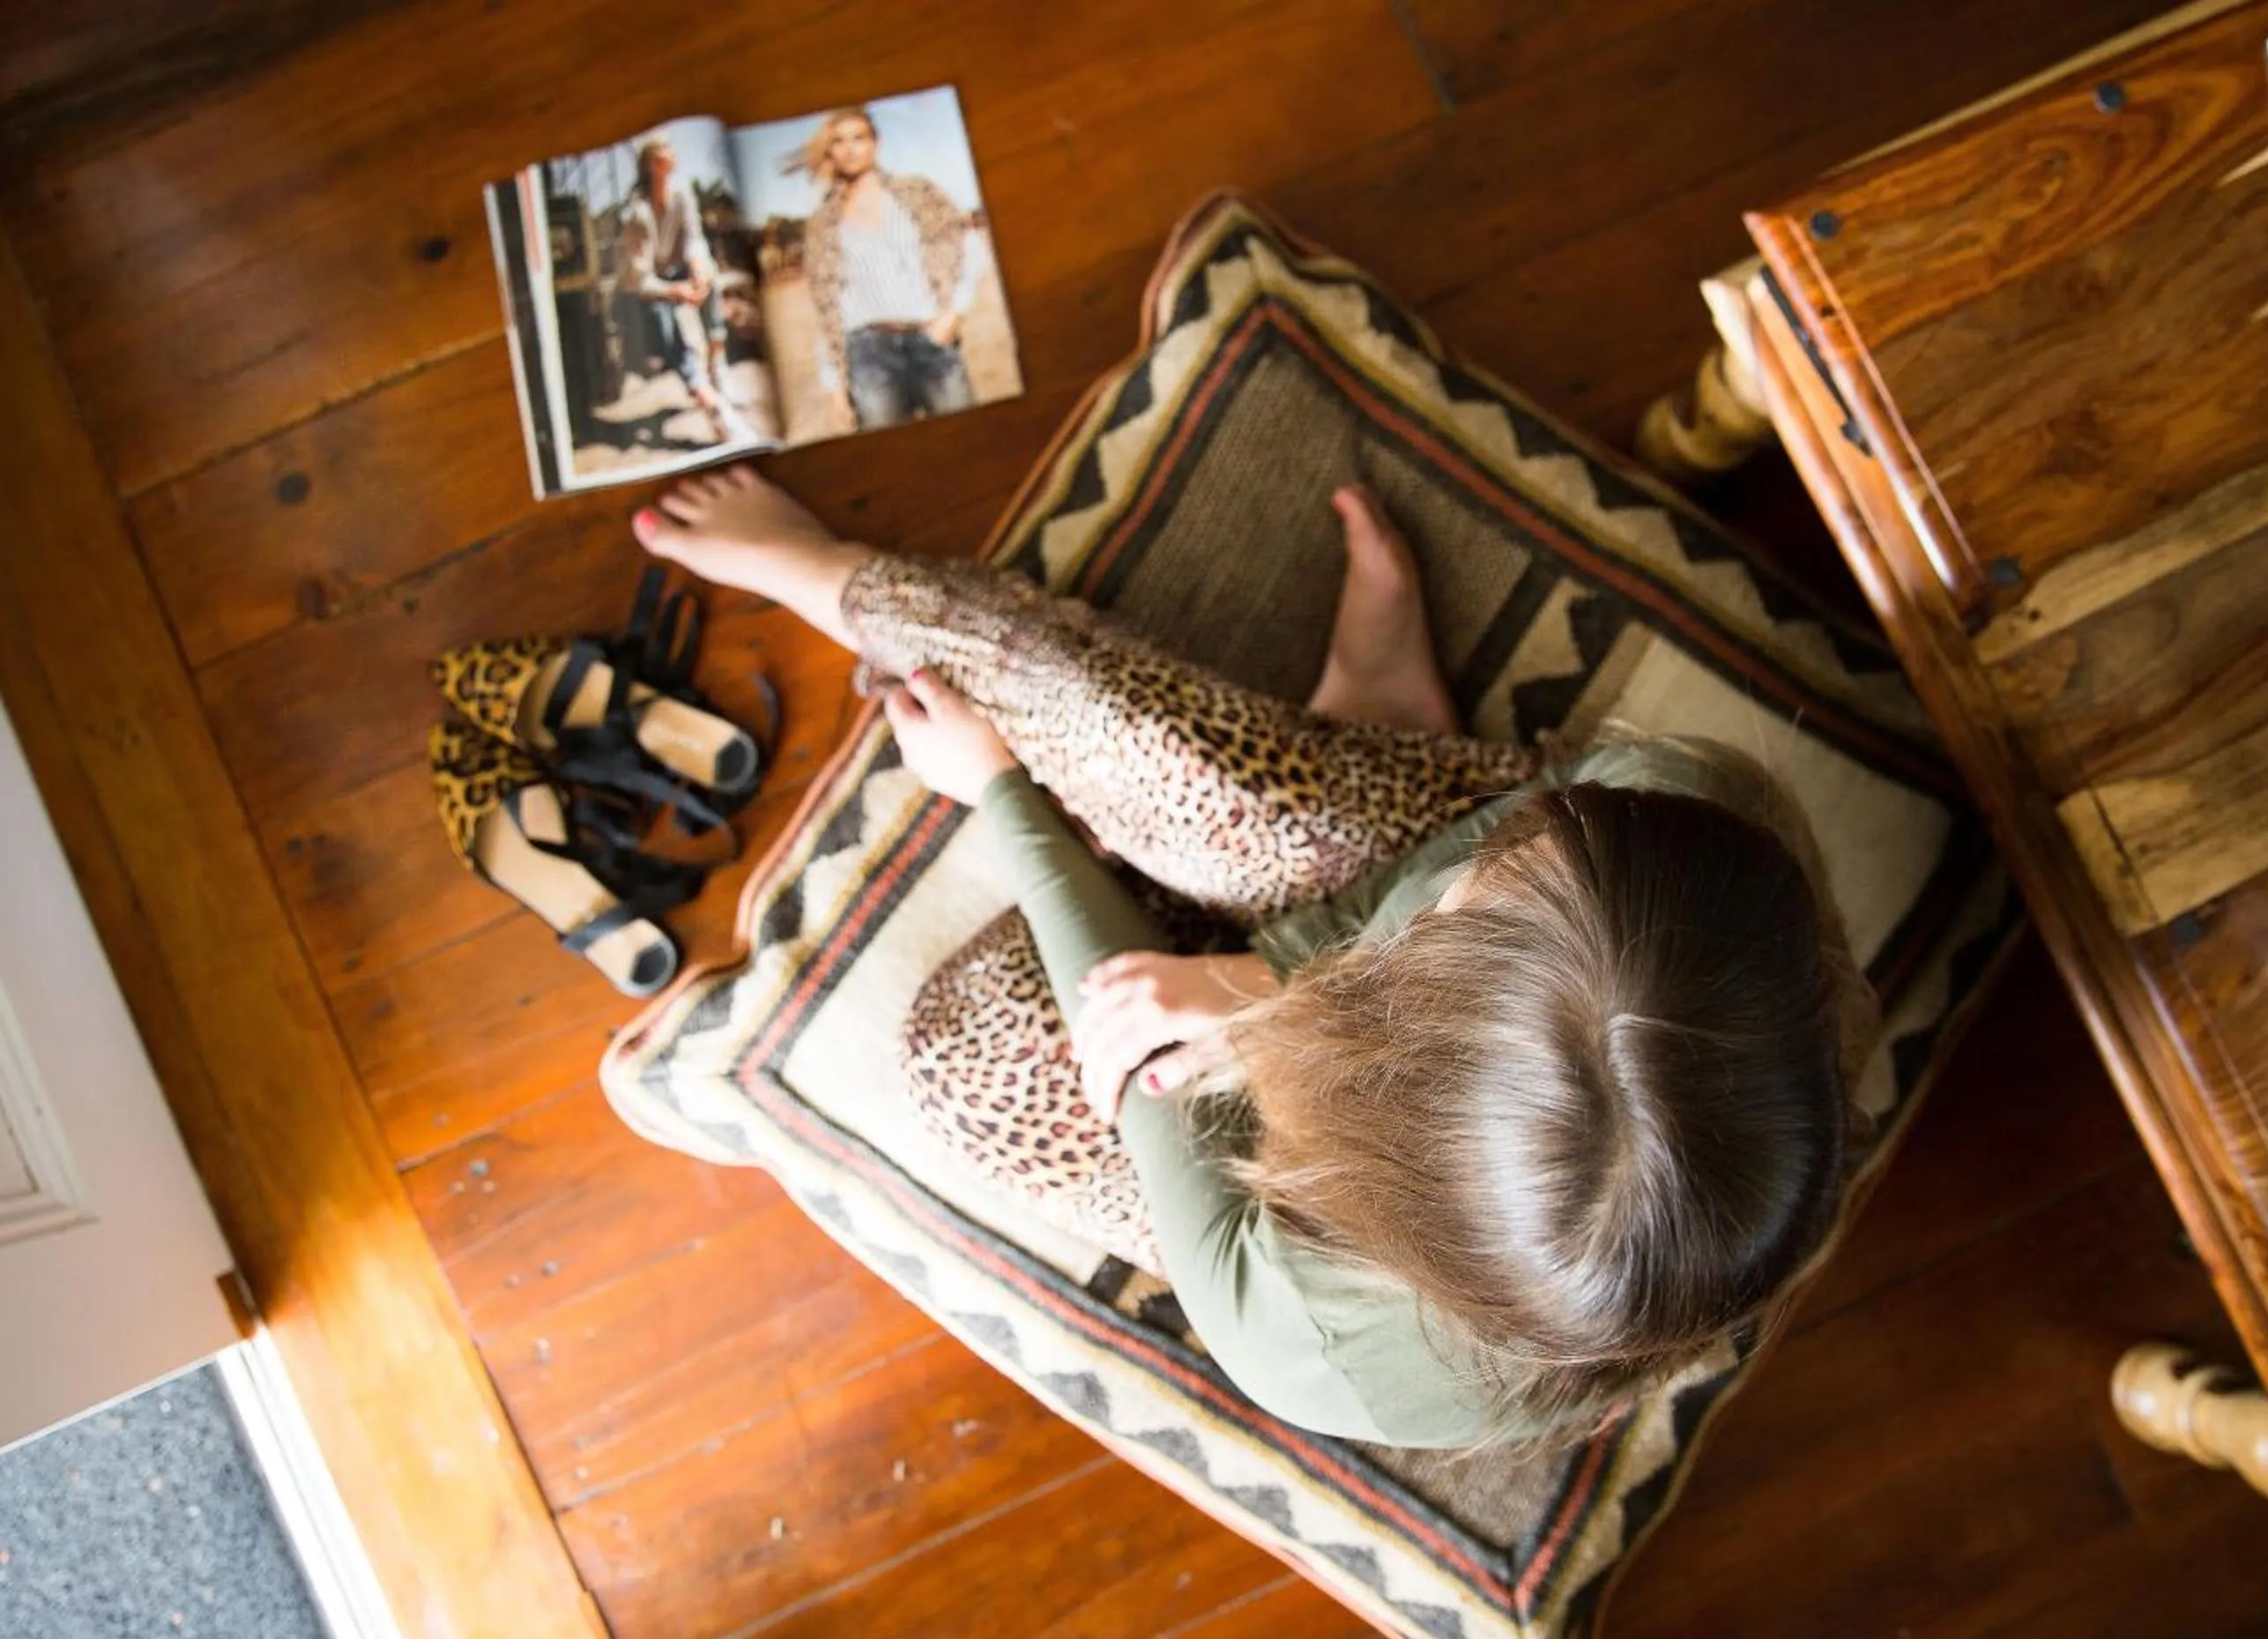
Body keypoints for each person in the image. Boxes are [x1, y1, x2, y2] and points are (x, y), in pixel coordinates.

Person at [628, 467, 1877, 1449]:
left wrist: (1006, 797)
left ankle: (1354, 746)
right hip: (1376, 926)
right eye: (1499, 875)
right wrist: (1273, 984)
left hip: (1308, 1127)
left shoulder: (1314, 1337)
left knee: (972, 1054)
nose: (1446, 891)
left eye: (1441, 923)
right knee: (1221, 785)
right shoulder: (1668, 819)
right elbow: (1440, 874)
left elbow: (1140, 1068)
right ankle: (853, 583)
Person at [787, 108, 985, 428]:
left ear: (875, 143)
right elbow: (828, 308)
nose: (850, 149)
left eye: (859, 138)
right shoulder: (822, 223)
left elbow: (970, 248)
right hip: (867, 354)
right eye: (839, 141)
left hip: (930, 340)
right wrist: (834, 387)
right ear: (830, 151)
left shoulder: (917, 192)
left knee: (972, 439)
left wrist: (955, 314)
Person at [613, 138, 748, 444]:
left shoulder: (682, 196)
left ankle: (717, 360)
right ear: (650, 165)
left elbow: (694, 239)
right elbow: (640, 278)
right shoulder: (636, 213)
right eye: (662, 157)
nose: (670, 160)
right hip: (648, 286)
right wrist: (676, 292)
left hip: (677, 271)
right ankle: (709, 402)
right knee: (668, 332)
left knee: (710, 276)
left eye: (671, 154)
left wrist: (698, 264)